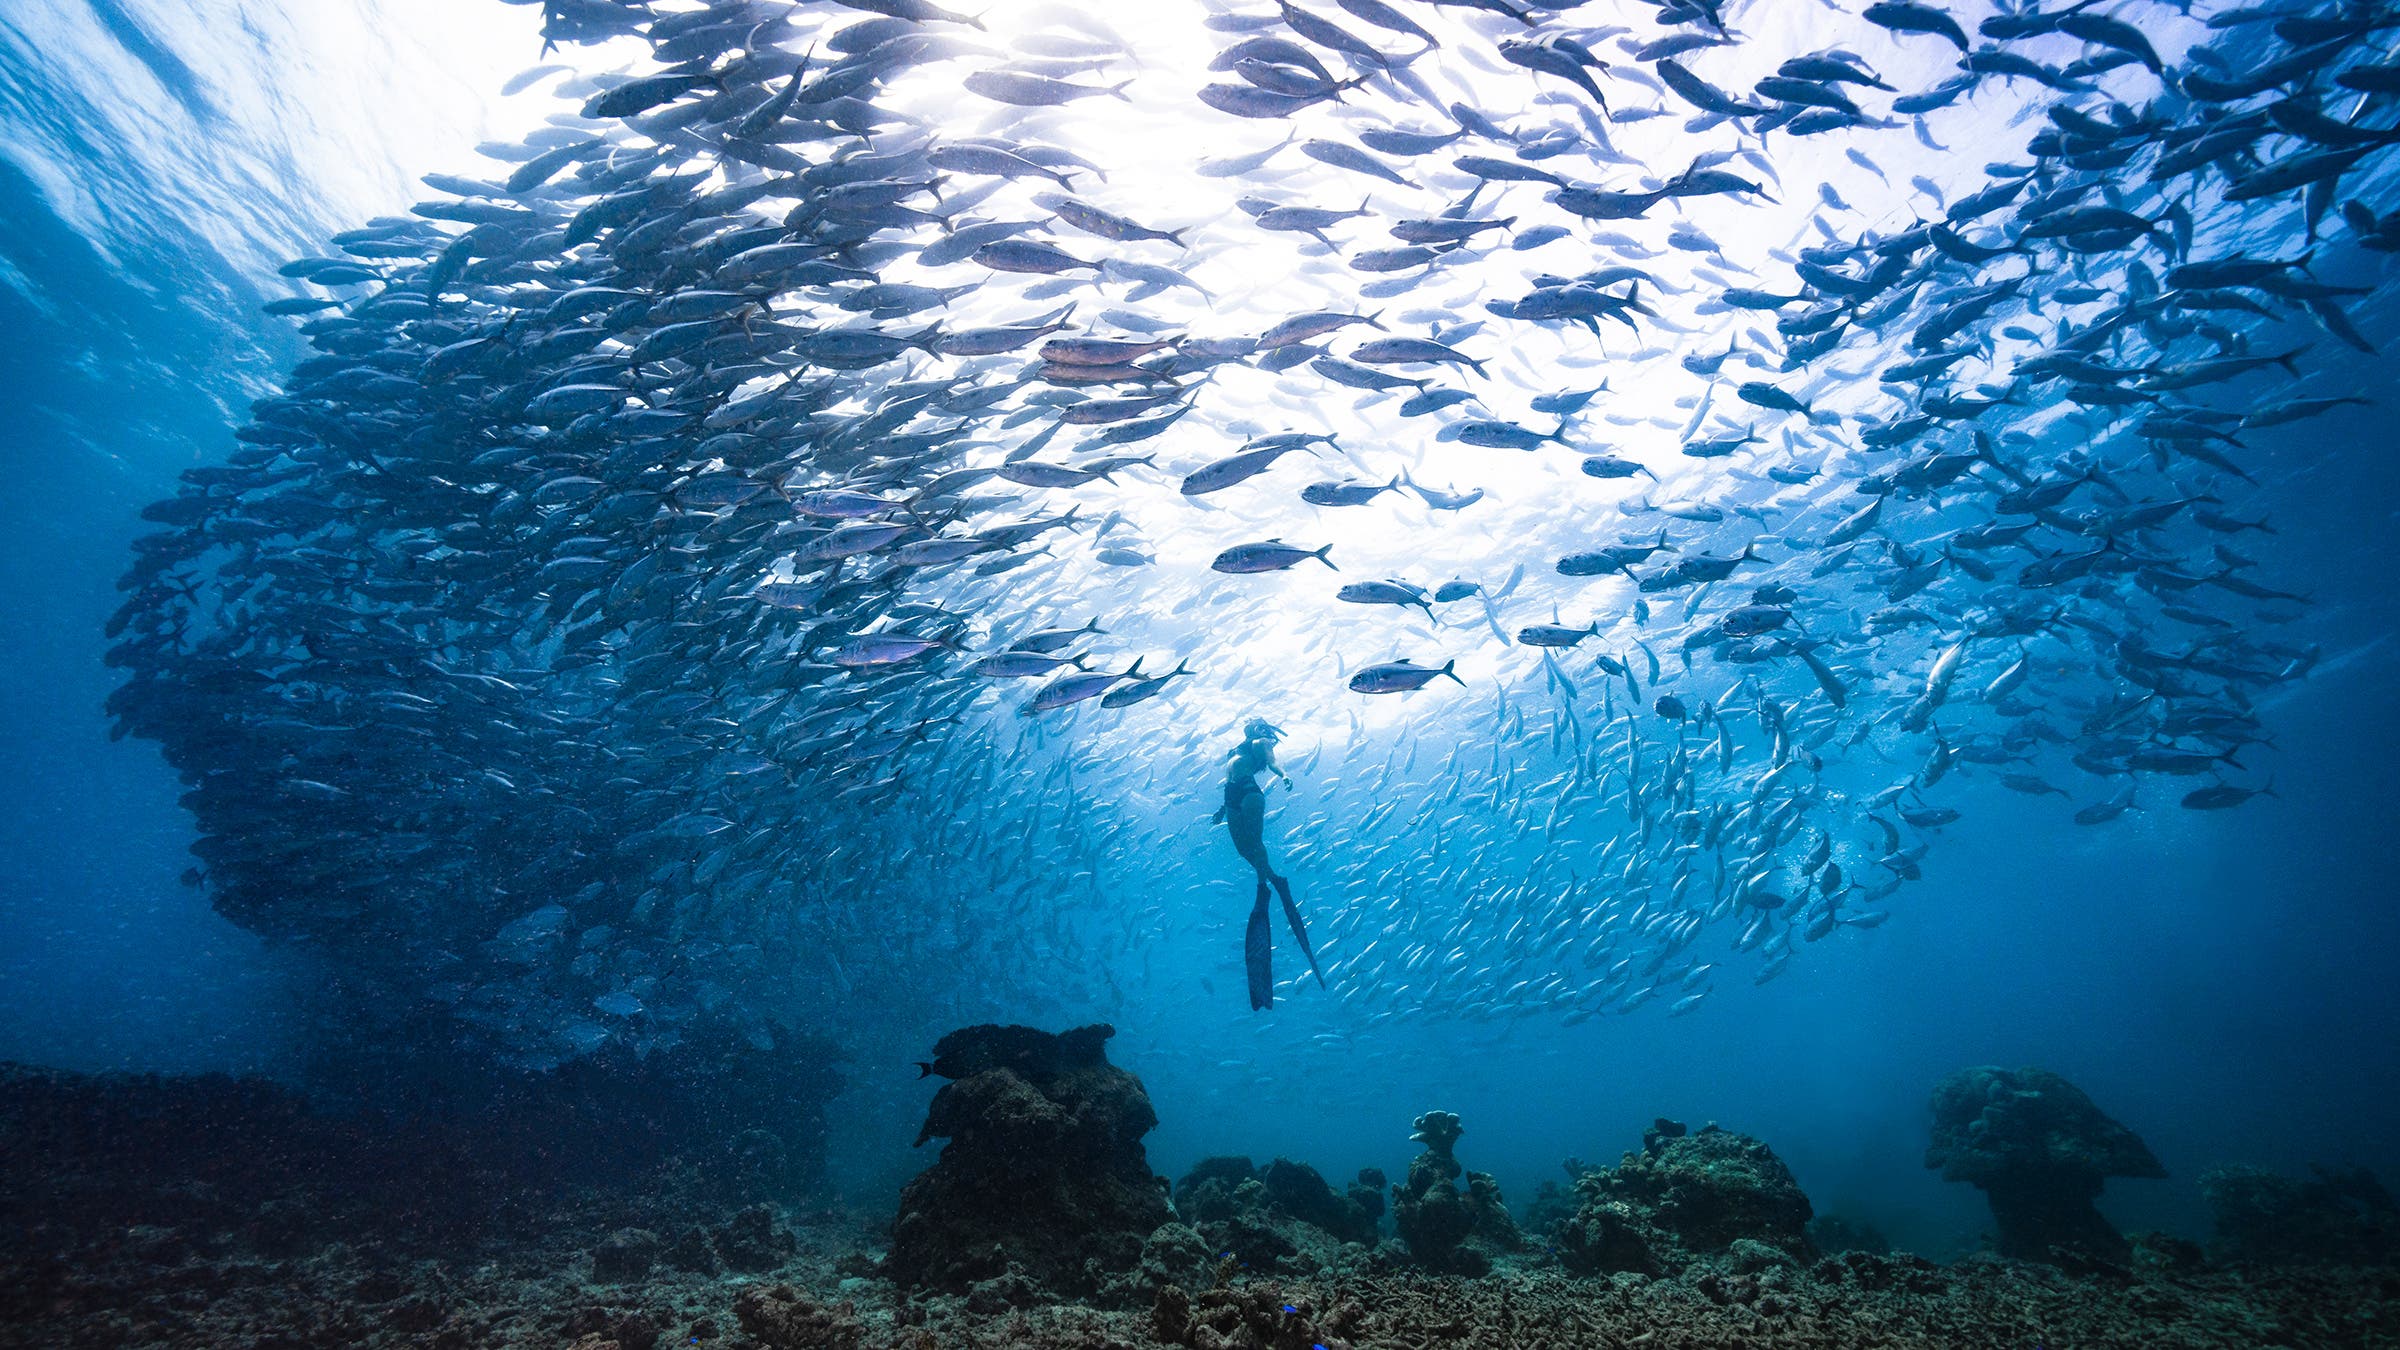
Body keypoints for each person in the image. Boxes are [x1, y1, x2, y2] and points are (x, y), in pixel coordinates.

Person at [1212, 719, 1324, 1009]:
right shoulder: (1239, 749)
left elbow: (1273, 764)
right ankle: (1273, 877)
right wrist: (1222, 808)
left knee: (1255, 842)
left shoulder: (1260, 744)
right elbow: (1229, 778)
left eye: (1257, 725)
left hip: (1250, 795)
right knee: (1242, 849)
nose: (1253, 728)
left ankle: (1264, 885)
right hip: (1233, 798)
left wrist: (1284, 776)